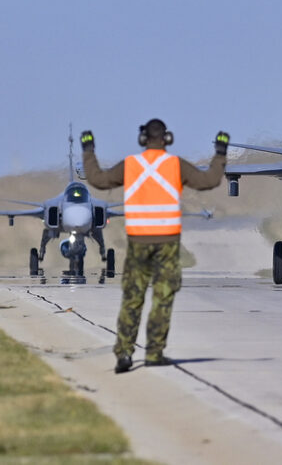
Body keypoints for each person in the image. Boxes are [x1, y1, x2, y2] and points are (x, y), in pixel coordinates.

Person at [80, 119, 229, 373]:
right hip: (167, 243)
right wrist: (220, 152)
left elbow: (98, 180)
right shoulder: (175, 165)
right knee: (163, 297)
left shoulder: (131, 165)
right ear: (167, 139)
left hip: (138, 242)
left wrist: (88, 150)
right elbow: (209, 181)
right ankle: (154, 353)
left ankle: (125, 353)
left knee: (132, 298)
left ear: (143, 139)